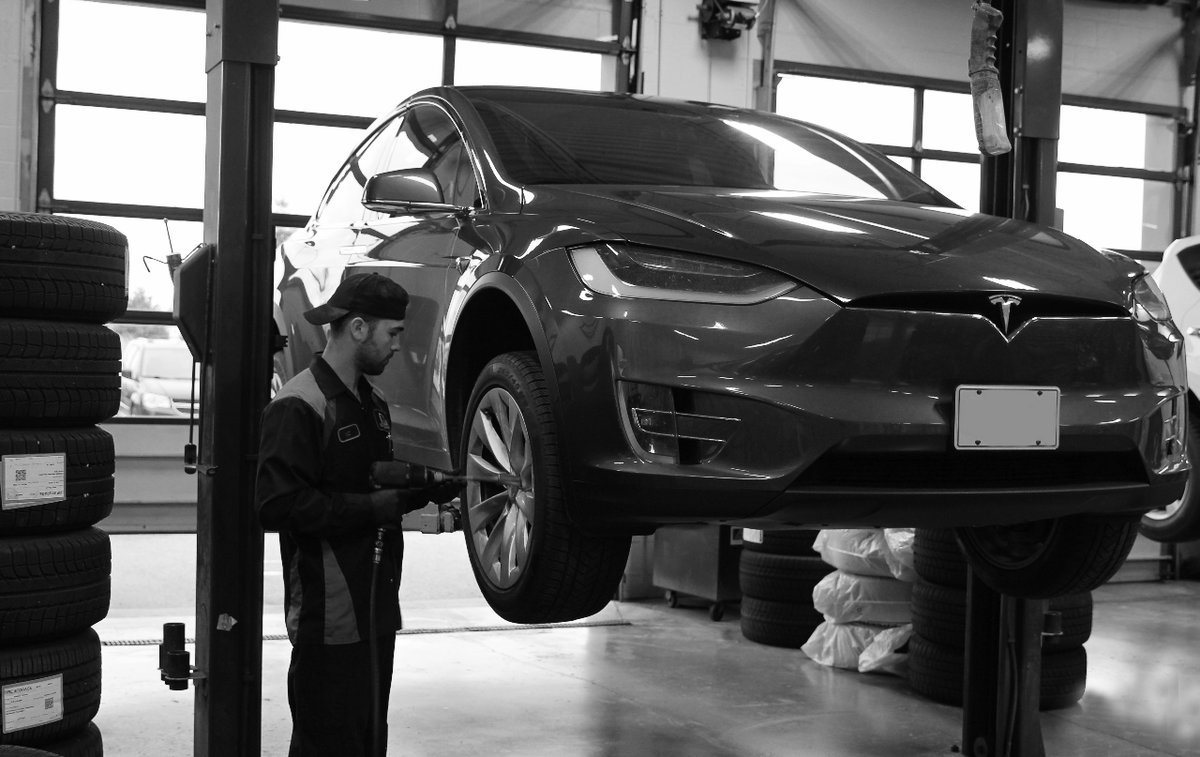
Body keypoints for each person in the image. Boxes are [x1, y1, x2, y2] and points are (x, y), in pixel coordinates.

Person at [255, 272, 457, 756]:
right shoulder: (300, 405)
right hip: (328, 619)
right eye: (393, 333)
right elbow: (277, 505)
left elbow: (367, 478)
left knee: (368, 741)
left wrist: (425, 488)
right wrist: (370, 509)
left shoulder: (374, 404)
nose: (397, 346)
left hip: (376, 610)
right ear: (360, 328)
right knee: (326, 743)